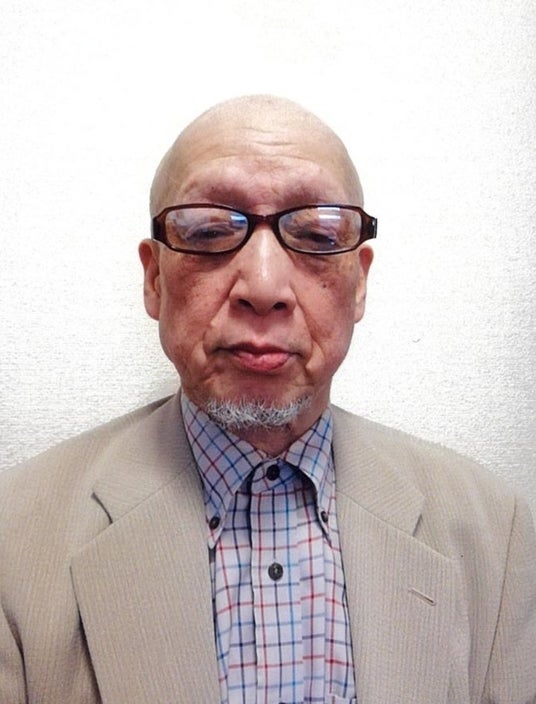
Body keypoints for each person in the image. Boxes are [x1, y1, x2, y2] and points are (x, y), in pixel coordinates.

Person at [0, 95, 534, 704]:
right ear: (154, 279)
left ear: (359, 283)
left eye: (316, 235)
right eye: (208, 230)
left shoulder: (497, 534)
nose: (263, 285)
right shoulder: (13, 540)